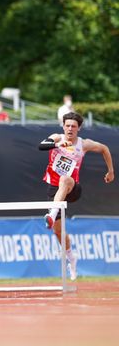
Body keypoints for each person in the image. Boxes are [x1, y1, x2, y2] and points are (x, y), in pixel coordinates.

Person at [39, 111, 114, 281]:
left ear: (79, 128)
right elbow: (41, 146)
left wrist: (110, 171)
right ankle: (71, 257)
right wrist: (59, 146)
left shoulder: (84, 144)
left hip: (73, 188)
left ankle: (51, 214)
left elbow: (104, 149)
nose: (70, 129)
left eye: (73, 126)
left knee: (65, 180)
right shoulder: (57, 138)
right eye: (67, 126)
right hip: (55, 190)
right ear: (63, 126)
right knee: (58, 232)